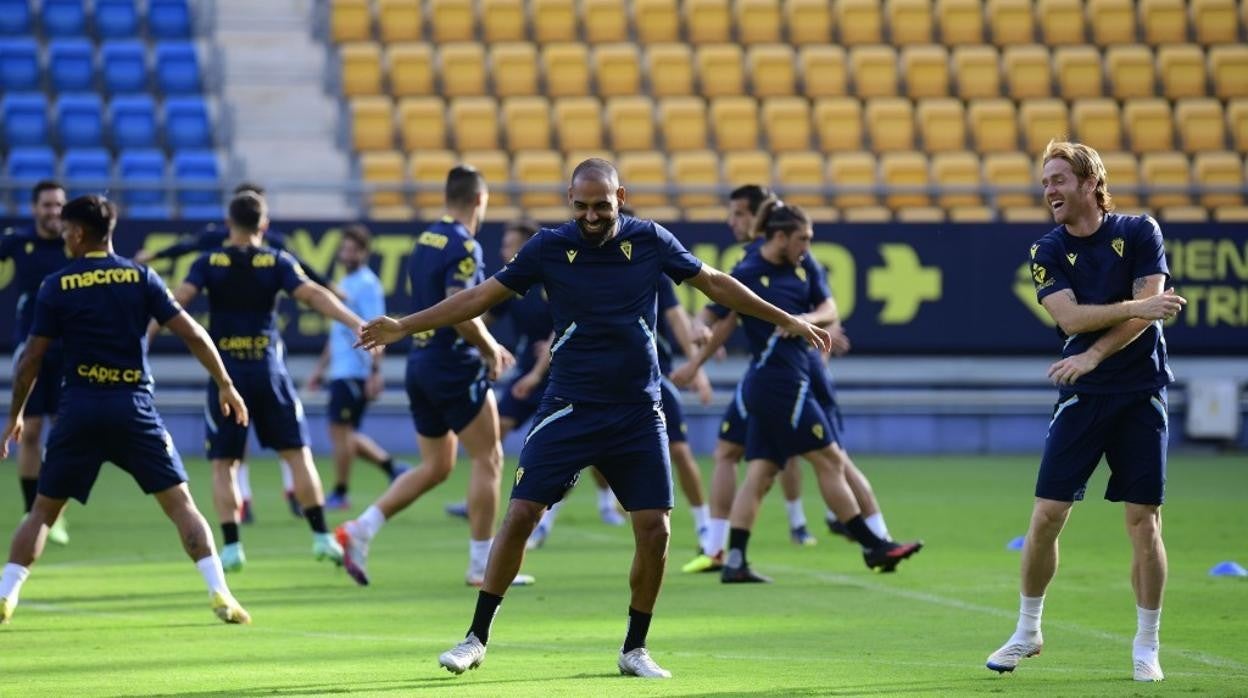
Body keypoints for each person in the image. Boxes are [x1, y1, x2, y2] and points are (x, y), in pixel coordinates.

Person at [355, 158, 831, 679]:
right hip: (569, 406)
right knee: (519, 516)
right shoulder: (548, 247)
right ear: (569, 200)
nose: (591, 216)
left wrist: (787, 318)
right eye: (580, 206)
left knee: (655, 531)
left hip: (637, 410)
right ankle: (476, 637)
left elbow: (715, 284)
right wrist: (404, 325)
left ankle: (634, 648)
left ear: (620, 197)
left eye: (601, 205)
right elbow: (477, 297)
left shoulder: (651, 241)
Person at [985, 141, 1186, 682]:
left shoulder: (1140, 231)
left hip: (1141, 392)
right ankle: (1027, 631)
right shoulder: (1046, 249)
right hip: (1082, 397)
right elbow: (1071, 318)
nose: (1048, 189)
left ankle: (1147, 644)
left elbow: (1152, 311)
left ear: (1090, 181)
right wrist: (1135, 307)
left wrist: (1099, 351)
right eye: (1045, 180)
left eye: (1058, 179)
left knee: (1144, 523)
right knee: (1046, 517)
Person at [0, 195, 250, 625]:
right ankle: (221, 593)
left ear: (78, 233)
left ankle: (5, 595)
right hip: (133, 408)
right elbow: (193, 333)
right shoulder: (141, 278)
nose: (63, 236)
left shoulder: (57, 284)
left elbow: (31, 360)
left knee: (42, 511)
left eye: (66, 229)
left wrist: (15, 414)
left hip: (79, 407)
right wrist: (225, 383)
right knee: (181, 506)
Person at [676, 199, 923, 583]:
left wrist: (802, 320)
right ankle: (872, 544)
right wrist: (697, 343)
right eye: (802, 239)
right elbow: (720, 313)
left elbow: (829, 308)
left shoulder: (802, 267)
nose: (807, 246)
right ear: (778, 236)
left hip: (784, 381)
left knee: (760, 472)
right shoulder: (749, 270)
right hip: (780, 384)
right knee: (829, 461)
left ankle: (735, 559)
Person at [335, 166, 530, 589]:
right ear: (480, 199)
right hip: (453, 364)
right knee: (489, 457)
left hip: (420, 364)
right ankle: (482, 565)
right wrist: (489, 347)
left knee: (438, 465)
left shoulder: (426, 239)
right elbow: (459, 305)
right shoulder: (464, 245)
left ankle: (361, 529)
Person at [160, 192, 363, 572]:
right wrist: (355, 322)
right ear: (264, 226)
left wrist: (144, 333)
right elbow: (313, 295)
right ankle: (321, 536)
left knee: (224, 463)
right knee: (297, 454)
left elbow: (175, 303)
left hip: (226, 376)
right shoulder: (276, 260)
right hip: (269, 372)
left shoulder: (208, 262)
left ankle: (233, 546)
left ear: (228, 223)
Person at [134, 182, 333, 523]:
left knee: (240, 450)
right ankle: (264, 503)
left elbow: (180, 285)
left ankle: (258, 508)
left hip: (235, 361)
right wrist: (333, 294)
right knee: (284, 445)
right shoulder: (264, 249)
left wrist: (147, 330)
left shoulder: (225, 250)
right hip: (262, 358)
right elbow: (307, 281)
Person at [443, 219, 628, 531]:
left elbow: (564, 330)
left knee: (595, 450)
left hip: (563, 371)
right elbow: (484, 316)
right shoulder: (513, 285)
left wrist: (536, 373)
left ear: (526, 247)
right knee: (495, 429)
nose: (503, 250)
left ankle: (604, 502)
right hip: (529, 370)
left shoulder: (552, 280)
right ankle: (480, 497)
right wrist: (464, 337)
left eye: (509, 244)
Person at [305, 224, 410, 510]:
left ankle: (340, 493)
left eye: (352, 249)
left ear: (364, 253)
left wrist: (376, 372)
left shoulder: (368, 284)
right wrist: (319, 370)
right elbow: (337, 335)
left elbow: (379, 329)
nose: (346, 254)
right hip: (341, 369)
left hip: (357, 369)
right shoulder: (347, 282)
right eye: (344, 248)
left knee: (340, 432)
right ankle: (393, 469)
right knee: (344, 433)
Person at [0, 181, 71, 546]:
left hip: (70, 351)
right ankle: (33, 511)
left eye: (59, 204)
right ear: (34, 209)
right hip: (30, 349)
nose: (53, 211)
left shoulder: (75, 244)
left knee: (66, 434)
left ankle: (56, 513)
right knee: (29, 432)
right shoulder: (18, 243)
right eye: (47, 205)